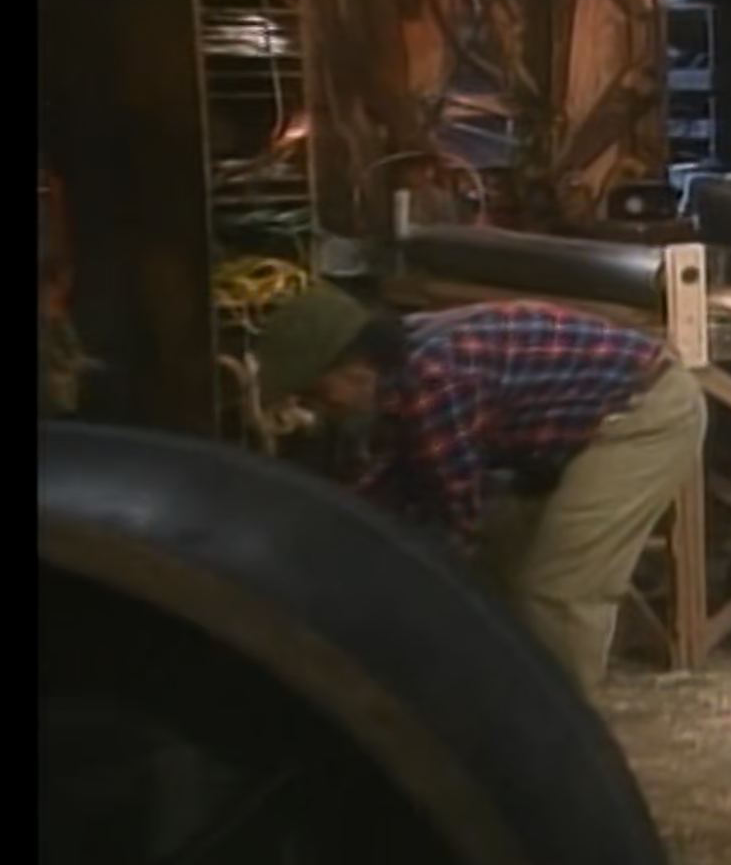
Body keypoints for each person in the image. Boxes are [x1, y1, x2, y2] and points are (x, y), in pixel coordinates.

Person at [254, 283, 706, 689]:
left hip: (644, 412)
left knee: (558, 590)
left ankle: (557, 739)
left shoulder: (432, 379)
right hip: (572, 426)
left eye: (319, 394)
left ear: (356, 369)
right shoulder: (399, 364)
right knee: (503, 566)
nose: (319, 410)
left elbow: (455, 519)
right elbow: (401, 475)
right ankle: (509, 708)